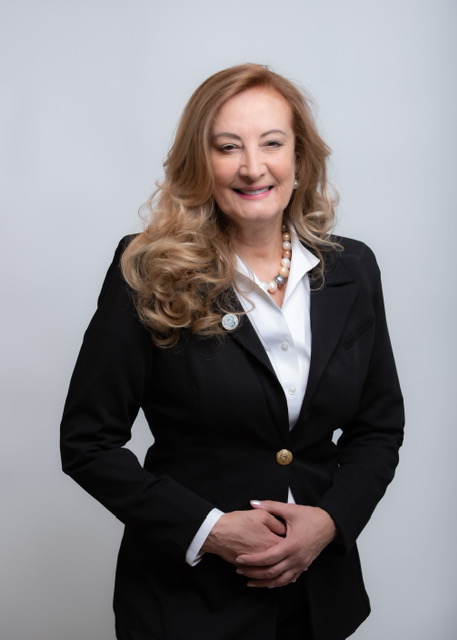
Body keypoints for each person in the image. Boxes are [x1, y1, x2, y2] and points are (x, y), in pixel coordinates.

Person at [60, 63, 404, 640]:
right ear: (200, 163)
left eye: (272, 143)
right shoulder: (147, 270)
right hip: (186, 606)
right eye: (227, 147)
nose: (252, 166)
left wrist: (330, 520)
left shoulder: (354, 268)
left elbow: (378, 427)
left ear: (300, 159)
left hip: (319, 601)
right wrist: (209, 529)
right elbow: (87, 443)